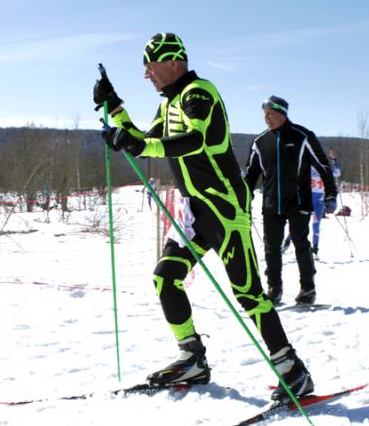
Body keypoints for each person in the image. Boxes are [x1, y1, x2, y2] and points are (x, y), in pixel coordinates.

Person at [93, 32, 313, 402]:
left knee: (248, 293)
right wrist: (114, 106)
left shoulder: (199, 93)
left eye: (150, 66)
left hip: (223, 207)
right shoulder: (169, 104)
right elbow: (143, 141)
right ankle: (191, 358)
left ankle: (293, 370)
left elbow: (193, 141)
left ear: (173, 62)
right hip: (194, 210)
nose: (147, 74)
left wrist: (140, 143)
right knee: (166, 277)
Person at [244, 96, 338, 306]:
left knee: (300, 244)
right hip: (271, 204)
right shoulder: (260, 142)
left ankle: (307, 289)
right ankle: (274, 289)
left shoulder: (303, 136)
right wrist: (244, 198)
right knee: (271, 247)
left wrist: (331, 194)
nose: (266, 118)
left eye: (270, 114)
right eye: (264, 114)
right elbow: (250, 175)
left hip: (298, 202)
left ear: (282, 113)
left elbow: (324, 167)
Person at [283, 149, 342, 256]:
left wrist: (334, 160)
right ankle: (287, 242)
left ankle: (315, 248)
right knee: (298, 224)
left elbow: (337, 173)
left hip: (318, 202)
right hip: (306, 200)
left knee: (316, 225)